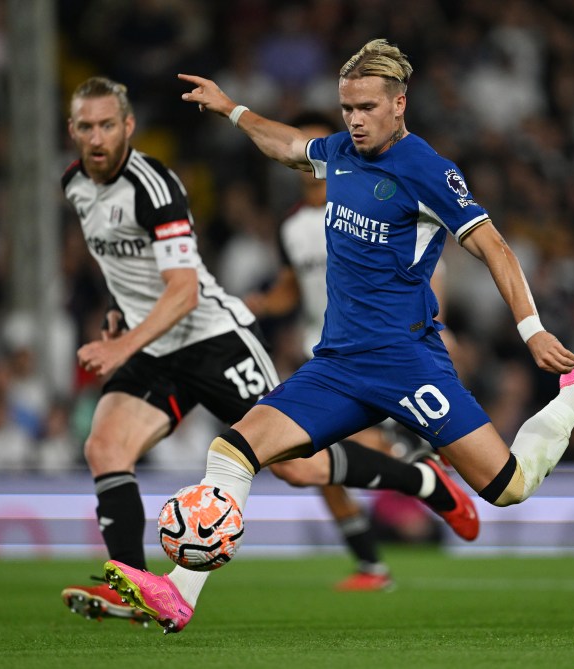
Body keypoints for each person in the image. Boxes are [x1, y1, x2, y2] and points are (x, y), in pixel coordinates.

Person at [103, 40, 574, 634]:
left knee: (508, 487)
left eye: (366, 107)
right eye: (347, 108)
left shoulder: (428, 169)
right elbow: (287, 145)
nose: (354, 120)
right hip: (338, 364)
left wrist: (533, 331)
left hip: (407, 363)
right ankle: (177, 594)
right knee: (232, 451)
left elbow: (494, 246)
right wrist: (232, 109)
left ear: (399, 103)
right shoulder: (340, 152)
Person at [58, 76, 479, 624]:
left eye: (107, 125)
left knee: (298, 469)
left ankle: (424, 480)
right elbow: (124, 266)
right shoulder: (76, 186)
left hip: (212, 340)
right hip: (152, 344)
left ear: (128, 127)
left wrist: (121, 349)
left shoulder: (154, 185)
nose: (96, 137)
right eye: (86, 126)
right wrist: (121, 315)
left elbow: (183, 290)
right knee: (105, 447)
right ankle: (134, 585)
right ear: (72, 131)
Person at [247, 110, 450, 589]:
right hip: (323, 354)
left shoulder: (363, 201)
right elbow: (290, 289)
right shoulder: (292, 225)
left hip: (378, 347)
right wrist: (251, 303)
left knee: (326, 453)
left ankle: (414, 463)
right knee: (305, 461)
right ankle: (372, 562)